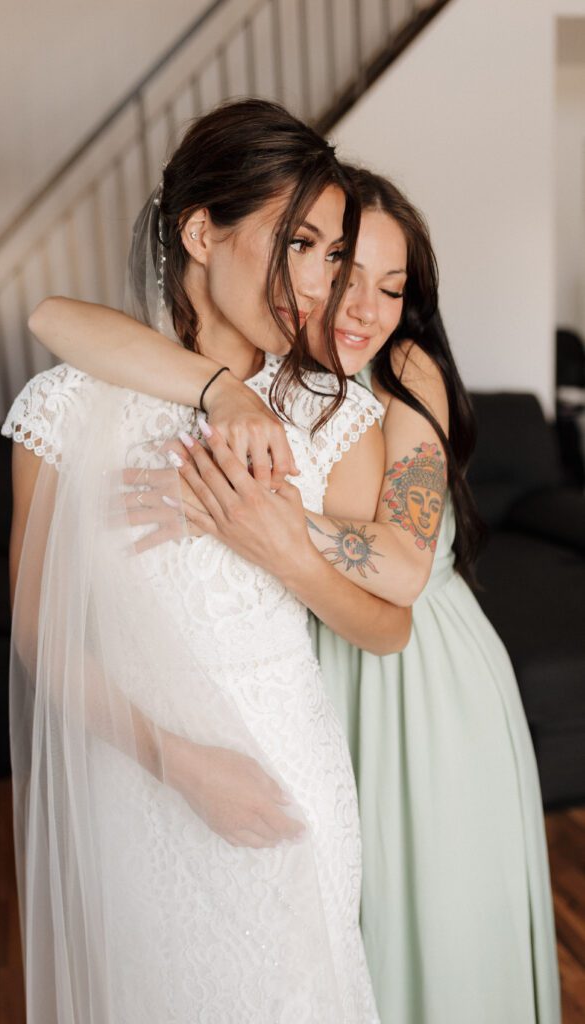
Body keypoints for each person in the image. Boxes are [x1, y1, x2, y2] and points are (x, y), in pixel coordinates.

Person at [30, 165, 560, 1024]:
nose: (358, 306)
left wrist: (244, 512)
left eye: (390, 288)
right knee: (344, 945)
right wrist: (223, 394)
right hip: (317, 672)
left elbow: (401, 568)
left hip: (425, 679)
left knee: (441, 934)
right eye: (333, 273)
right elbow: (52, 319)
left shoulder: (399, 369)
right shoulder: (267, 378)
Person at [7, 100, 408, 1023]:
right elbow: (38, 627)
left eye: (330, 254)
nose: (315, 283)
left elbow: (386, 625)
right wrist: (177, 763)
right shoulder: (64, 409)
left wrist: (278, 542)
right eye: (293, 242)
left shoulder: (334, 415)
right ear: (200, 231)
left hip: (286, 771)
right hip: (134, 771)